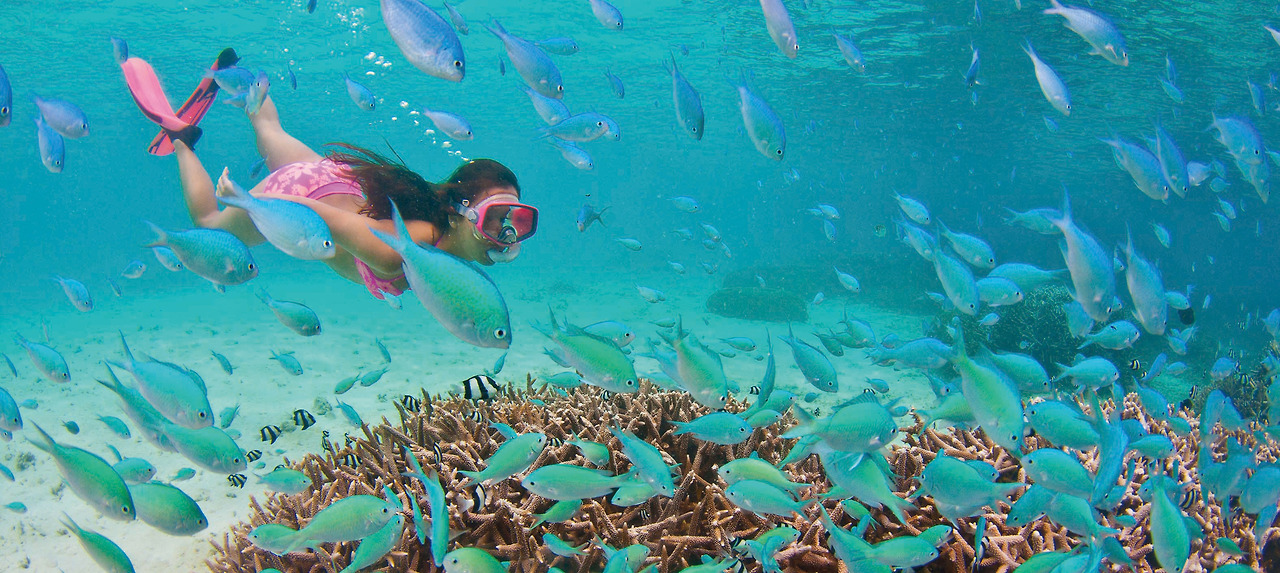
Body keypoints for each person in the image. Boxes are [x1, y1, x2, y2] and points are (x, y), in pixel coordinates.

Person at [121, 49, 537, 299]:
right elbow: (329, 221)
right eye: (497, 218)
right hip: (307, 196)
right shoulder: (404, 249)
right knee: (209, 225)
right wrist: (248, 201)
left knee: (271, 132)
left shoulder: (444, 241)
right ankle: (181, 139)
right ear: (460, 213)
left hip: (331, 178)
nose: (508, 235)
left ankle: (248, 88)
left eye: (519, 221)